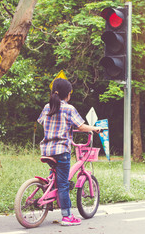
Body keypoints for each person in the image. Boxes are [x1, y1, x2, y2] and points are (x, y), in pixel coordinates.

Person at [37, 78, 100, 226]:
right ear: (68, 94)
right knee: (64, 184)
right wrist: (95, 129)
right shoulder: (68, 108)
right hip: (61, 151)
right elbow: (81, 126)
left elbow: (42, 122)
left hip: (46, 149)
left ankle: (50, 194)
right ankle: (67, 216)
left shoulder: (47, 107)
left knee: (55, 178)